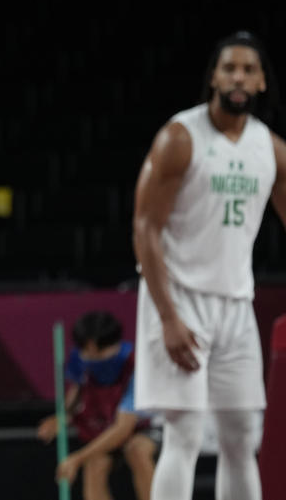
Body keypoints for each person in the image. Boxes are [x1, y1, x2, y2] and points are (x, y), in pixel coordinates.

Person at [132, 30, 282, 500]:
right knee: (185, 435)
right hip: (178, 299)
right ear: (214, 77)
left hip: (236, 305)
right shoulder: (180, 137)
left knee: (242, 439)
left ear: (261, 83)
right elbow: (144, 229)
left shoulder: (271, 148)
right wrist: (169, 317)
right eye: (229, 68)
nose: (238, 77)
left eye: (249, 70)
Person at [38, 311, 158, 500]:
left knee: (137, 451)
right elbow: (76, 393)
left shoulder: (135, 365)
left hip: (141, 429)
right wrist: (61, 418)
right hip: (104, 427)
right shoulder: (79, 358)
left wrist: (77, 459)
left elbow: (123, 429)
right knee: (94, 463)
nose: (85, 354)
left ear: (92, 345)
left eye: (87, 349)